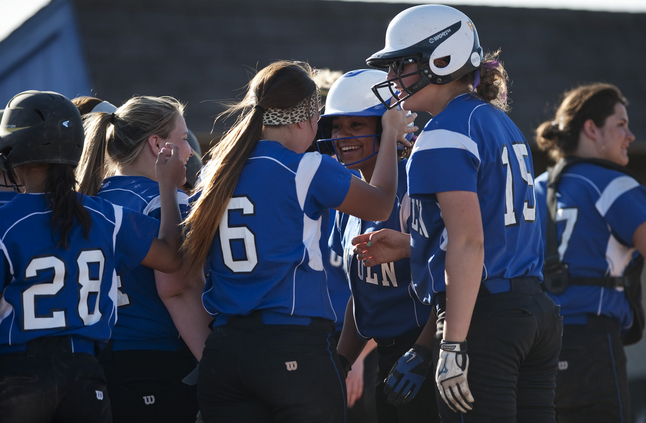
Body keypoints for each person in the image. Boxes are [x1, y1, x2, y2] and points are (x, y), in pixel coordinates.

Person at [353, 5, 563, 422]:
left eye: (401, 64)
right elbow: (491, 232)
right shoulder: (497, 121)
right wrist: (414, 245)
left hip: (486, 318)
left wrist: (451, 343)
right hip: (533, 310)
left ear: (442, 58)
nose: (393, 78)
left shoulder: (444, 132)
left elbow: (470, 242)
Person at [183, 60, 415, 423]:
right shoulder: (307, 168)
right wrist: (389, 134)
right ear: (302, 118)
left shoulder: (216, 171)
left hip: (224, 349)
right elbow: (382, 200)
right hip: (291, 344)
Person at [0, 90, 185, 423]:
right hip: (86, 375)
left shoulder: (7, 220)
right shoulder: (106, 215)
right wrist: (168, 188)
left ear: (14, 153)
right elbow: (172, 258)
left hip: (18, 371)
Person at [76, 95, 209, 423]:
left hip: (99, 363)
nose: (190, 150)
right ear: (156, 144)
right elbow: (180, 288)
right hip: (158, 360)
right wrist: (215, 363)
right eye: (182, 138)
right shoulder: (164, 201)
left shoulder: (88, 200)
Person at [318, 69, 436, 423]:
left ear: (387, 126)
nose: (343, 136)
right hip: (388, 357)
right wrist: (342, 360)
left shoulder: (417, 183)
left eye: (356, 125)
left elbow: (454, 270)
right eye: (337, 126)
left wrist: (424, 350)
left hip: (426, 350)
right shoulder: (349, 195)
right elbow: (364, 293)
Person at [534, 83, 646, 423]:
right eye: (621, 124)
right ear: (591, 128)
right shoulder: (614, 185)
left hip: (535, 350)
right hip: (592, 346)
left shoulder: (533, 189)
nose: (630, 135)